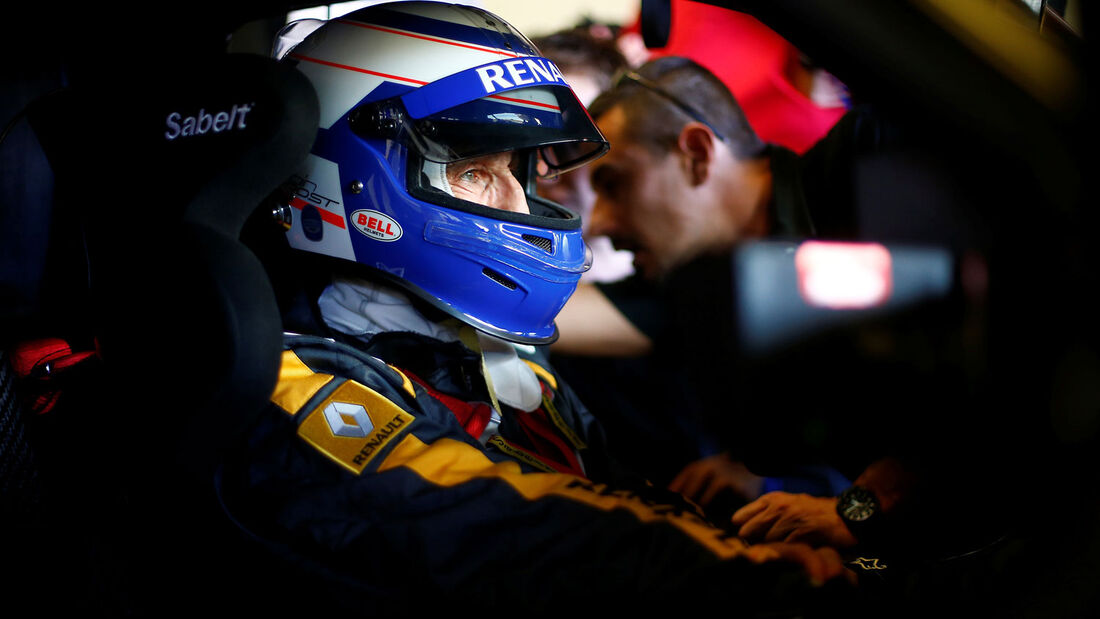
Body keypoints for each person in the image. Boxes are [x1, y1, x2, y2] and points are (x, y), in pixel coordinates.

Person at [222, 2, 853, 612]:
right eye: (474, 170)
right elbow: (516, 531)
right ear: (348, 174)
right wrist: (753, 579)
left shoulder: (489, 352)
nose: (519, 210)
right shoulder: (278, 375)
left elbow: (613, 495)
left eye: (519, 174)